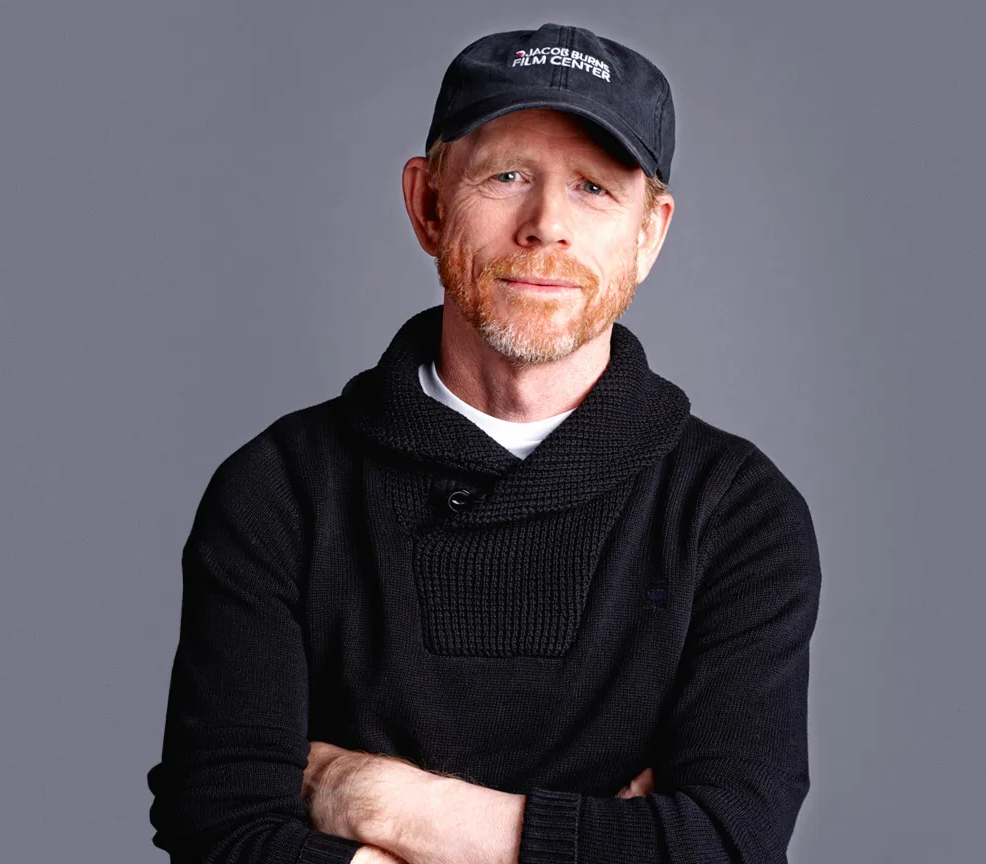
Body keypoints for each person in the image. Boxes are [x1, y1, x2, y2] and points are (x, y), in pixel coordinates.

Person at [146, 22, 822, 864]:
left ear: (649, 233)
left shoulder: (736, 514)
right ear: (428, 204)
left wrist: (383, 803)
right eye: (507, 176)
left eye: (594, 188)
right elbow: (219, 829)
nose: (546, 226)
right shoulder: (280, 490)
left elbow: (728, 844)